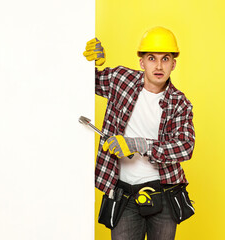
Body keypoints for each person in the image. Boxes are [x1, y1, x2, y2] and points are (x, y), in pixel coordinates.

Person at [83, 26, 195, 240]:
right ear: (142, 62)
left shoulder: (179, 103)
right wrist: (88, 63)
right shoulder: (120, 80)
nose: (159, 65)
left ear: (174, 64)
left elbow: (186, 146)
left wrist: (139, 145)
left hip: (162, 195)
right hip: (124, 195)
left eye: (166, 58)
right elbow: (84, 83)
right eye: (152, 58)